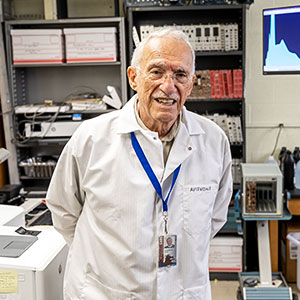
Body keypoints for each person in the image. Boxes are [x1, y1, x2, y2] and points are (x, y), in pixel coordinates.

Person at [46, 28, 232, 300]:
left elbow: (215, 217)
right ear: (134, 77)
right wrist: (106, 260)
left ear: (191, 84)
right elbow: (64, 212)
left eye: (180, 75)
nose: (168, 86)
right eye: (156, 71)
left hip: (183, 291)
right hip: (106, 293)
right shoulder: (92, 139)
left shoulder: (214, 141)